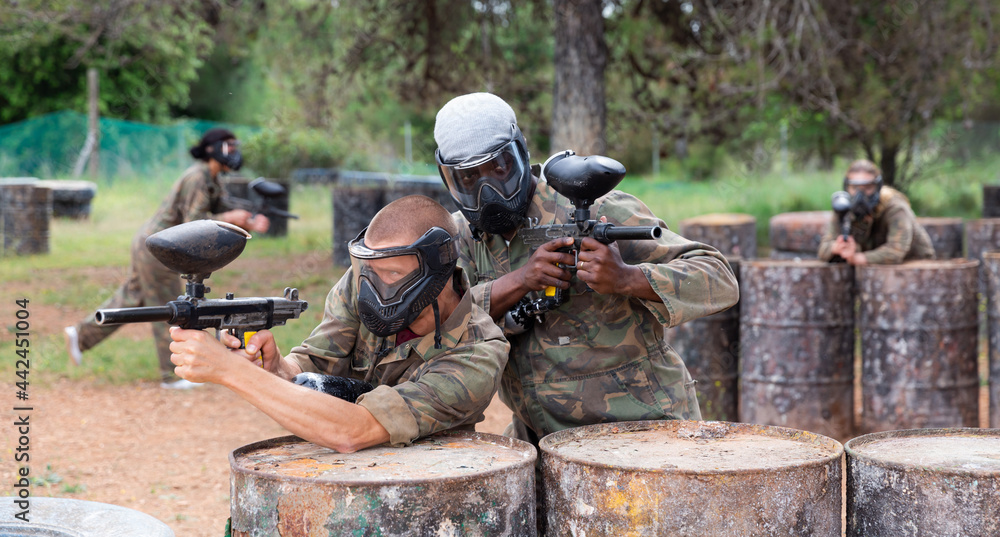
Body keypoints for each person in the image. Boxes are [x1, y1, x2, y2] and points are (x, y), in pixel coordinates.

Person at [433, 92, 741, 445]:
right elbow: (439, 323)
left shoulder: (593, 209)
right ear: (450, 180)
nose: (489, 191)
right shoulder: (460, 241)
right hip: (543, 438)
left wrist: (627, 278)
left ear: (521, 154)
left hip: (643, 429)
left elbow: (719, 278)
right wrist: (520, 281)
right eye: (469, 179)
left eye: (499, 169)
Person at [167, 195, 510, 452]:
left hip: (428, 489)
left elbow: (355, 431)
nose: (375, 287)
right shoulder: (364, 281)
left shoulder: (479, 352)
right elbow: (316, 369)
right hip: (345, 476)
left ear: (438, 272)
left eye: (393, 274)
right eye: (370, 270)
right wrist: (275, 369)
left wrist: (230, 371)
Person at [65, 128, 270, 389]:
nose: (233, 152)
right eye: (228, 147)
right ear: (212, 149)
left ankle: (80, 336)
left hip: (154, 244)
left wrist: (250, 220)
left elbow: (223, 207)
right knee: (172, 308)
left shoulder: (211, 177)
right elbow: (194, 223)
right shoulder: (198, 177)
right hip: (160, 248)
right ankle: (172, 375)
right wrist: (231, 219)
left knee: (132, 299)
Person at [818, 159, 935, 265]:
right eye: (854, 188)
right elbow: (823, 249)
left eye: (867, 188)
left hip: (915, 266)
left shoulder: (895, 207)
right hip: (874, 273)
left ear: (877, 187)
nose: (860, 195)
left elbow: (896, 251)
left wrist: (857, 258)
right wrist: (838, 247)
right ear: (847, 187)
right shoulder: (843, 208)